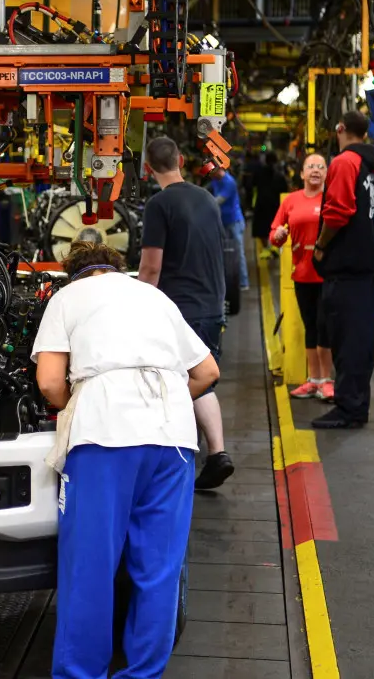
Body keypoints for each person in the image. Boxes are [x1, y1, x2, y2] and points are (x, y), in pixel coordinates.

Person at [33, 240, 220, 679]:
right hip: (173, 438)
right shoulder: (154, 296)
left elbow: (48, 382)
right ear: (117, 268)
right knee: (158, 570)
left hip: (104, 434)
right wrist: (167, 401)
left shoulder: (67, 296)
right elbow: (208, 372)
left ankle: (83, 674)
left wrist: (77, 405)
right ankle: (143, 674)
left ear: (75, 273)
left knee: (90, 568)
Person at [138, 136, 234, 489]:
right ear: (180, 159)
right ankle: (217, 454)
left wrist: (138, 305)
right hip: (211, 304)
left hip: (180, 309)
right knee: (202, 378)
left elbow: (151, 268)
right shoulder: (207, 199)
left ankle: (176, 458)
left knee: (175, 381)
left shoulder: (158, 205)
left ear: (148, 169)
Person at [311, 111, 374, 429]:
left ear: (340, 129)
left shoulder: (344, 162)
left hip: (345, 264)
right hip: (365, 262)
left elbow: (339, 212)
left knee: (347, 340)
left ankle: (349, 409)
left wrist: (321, 245)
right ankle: (356, 404)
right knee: (359, 340)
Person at [270, 154, 333, 400]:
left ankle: (326, 380)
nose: (316, 170)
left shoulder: (332, 199)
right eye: (311, 167)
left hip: (327, 275)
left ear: (327, 173)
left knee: (325, 327)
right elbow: (275, 231)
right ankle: (313, 380)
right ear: (302, 174)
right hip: (303, 275)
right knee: (311, 327)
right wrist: (278, 235)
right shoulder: (292, 201)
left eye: (320, 167)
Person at [209, 166, 249, 291]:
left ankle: (243, 282)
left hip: (234, 222)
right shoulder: (215, 180)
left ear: (218, 170)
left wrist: (201, 202)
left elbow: (218, 201)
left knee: (238, 252)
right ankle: (224, 282)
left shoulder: (229, 182)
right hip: (223, 221)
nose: (210, 175)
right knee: (223, 252)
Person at [251, 152, 288, 261]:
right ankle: (274, 248)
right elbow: (284, 190)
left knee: (261, 229)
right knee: (275, 226)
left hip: (261, 204)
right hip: (275, 205)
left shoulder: (259, 172)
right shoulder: (280, 175)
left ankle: (266, 249)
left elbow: (252, 185)